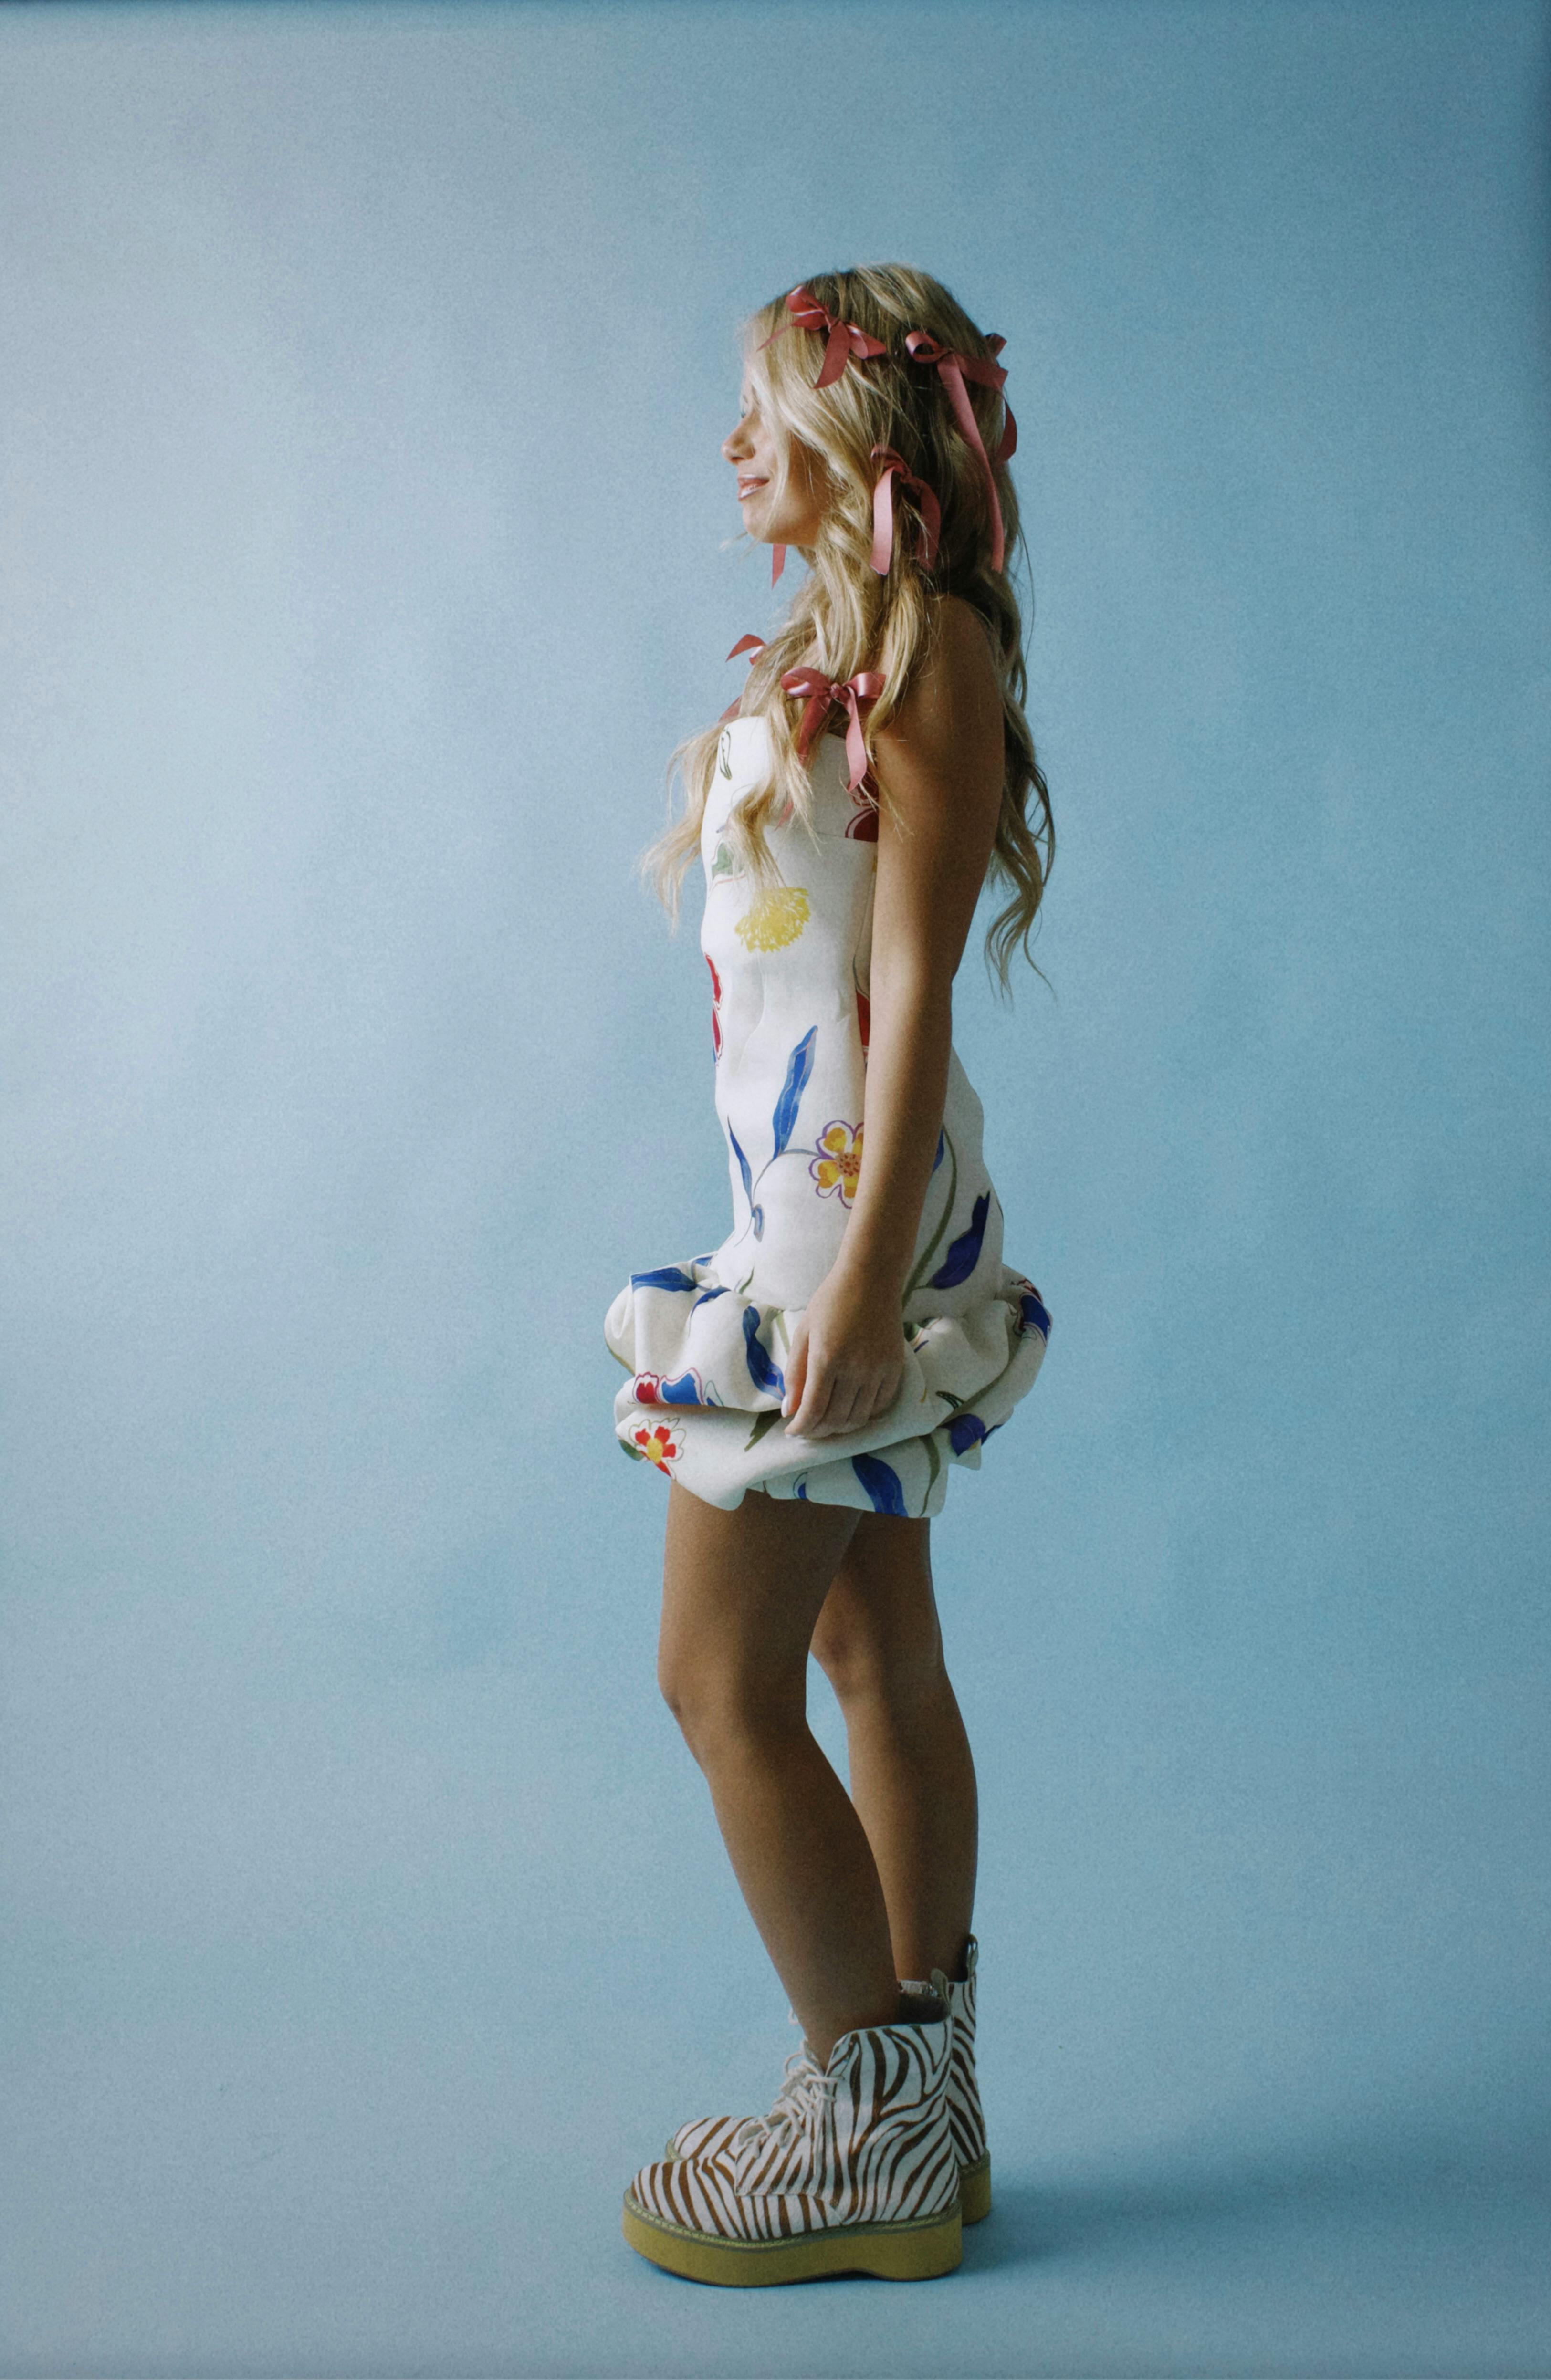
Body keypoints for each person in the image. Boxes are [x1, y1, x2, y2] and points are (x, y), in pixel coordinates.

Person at [603, 265, 1055, 2286]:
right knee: (872, 1653)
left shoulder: (931, 649)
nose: (733, 445)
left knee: (718, 1678)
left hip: (833, 1214)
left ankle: (859, 2104)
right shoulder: (845, 646)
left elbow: (912, 992)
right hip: (816, 1194)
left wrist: (859, 1288)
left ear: (868, 437)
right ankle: (927, 2110)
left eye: (767, 409)